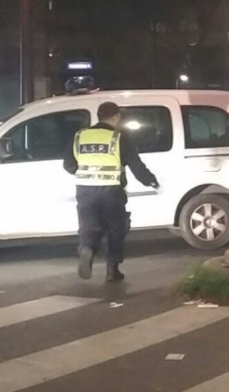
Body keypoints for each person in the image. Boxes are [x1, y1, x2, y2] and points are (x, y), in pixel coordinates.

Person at [63, 102, 159, 281]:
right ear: (116, 117)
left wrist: (87, 172)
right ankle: (112, 270)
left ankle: (87, 249)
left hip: (85, 191)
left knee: (89, 226)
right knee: (116, 229)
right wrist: (151, 181)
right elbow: (136, 165)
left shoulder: (80, 136)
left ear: (98, 116)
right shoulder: (119, 137)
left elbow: (68, 165)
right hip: (111, 191)